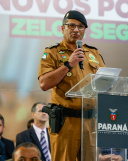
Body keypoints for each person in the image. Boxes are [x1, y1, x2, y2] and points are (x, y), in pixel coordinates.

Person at [38, 10, 105, 161]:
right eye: (72, 26)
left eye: (80, 27)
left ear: (85, 30)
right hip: (66, 122)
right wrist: (69, 64)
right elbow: (44, 83)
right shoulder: (52, 52)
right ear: (63, 29)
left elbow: (106, 82)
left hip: (90, 122)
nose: (76, 30)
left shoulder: (93, 53)